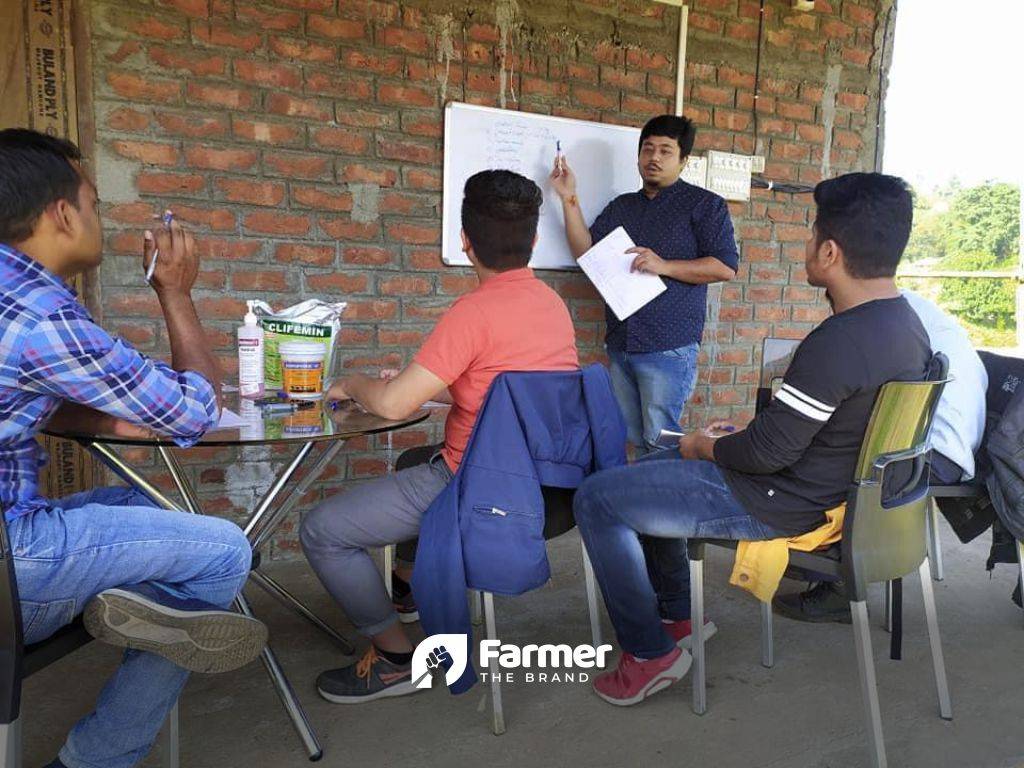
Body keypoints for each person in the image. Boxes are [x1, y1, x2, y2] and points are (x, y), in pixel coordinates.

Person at [572, 172, 931, 706]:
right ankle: (676, 616)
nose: (806, 244)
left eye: (811, 236)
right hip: (826, 490)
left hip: (780, 502)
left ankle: (650, 654)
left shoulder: (839, 342)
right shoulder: (907, 326)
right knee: (657, 463)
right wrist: (730, 439)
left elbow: (766, 455)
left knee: (598, 497)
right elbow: (806, 434)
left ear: (829, 252)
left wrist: (704, 446)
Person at [0, 128, 266, 768]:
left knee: (138, 502)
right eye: (93, 205)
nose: (99, 219)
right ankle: (96, 758)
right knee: (225, 550)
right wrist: (176, 291)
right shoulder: (40, 313)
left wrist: (120, 416)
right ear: (62, 213)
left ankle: (139, 607)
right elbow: (195, 412)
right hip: (11, 567)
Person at [300, 170, 579, 704]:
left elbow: (393, 404)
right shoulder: (551, 306)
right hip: (552, 488)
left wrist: (350, 384)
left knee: (322, 530)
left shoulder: (471, 314)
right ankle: (408, 585)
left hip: (483, 491)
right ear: (535, 241)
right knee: (413, 457)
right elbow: (515, 392)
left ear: (465, 242)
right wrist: (451, 392)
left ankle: (394, 657)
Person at [774, 287, 988, 622]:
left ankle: (837, 583)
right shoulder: (905, 312)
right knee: (832, 453)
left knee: (824, 464)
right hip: (947, 448)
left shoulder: (882, 322)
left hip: (929, 454)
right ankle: (819, 563)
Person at [550, 114, 738, 453]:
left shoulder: (704, 205)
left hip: (668, 344)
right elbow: (586, 253)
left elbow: (724, 266)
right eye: (647, 149)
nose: (654, 158)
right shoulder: (624, 206)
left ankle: (664, 504)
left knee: (661, 438)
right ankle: (640, 503)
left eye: (666, 151)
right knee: (633, 438)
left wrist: (664, 265)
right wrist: (568, 197)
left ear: (683, 160)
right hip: (622, 343)